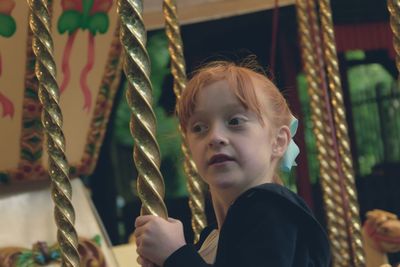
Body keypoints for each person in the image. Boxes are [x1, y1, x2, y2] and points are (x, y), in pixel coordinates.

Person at [133, 60, 331, 267]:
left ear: (279, 141)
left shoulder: (270, 210)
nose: (215, 137)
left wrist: (175, 254)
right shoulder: (212, 239)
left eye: (235, 122)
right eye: (199, 128)